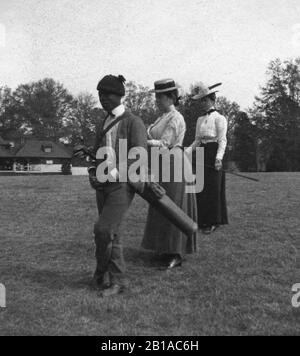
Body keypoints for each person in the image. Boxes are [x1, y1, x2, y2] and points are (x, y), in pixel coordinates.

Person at [89, 74, 147, 296]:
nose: (102, 98)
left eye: (106, 94)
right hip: (102, 186)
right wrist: (93, 173)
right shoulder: (102, 122)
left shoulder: (134, 121)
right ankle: (117, 280)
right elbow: (95, 154)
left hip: (122, 185)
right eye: (100, 94)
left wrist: (112, 172)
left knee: (103, 230)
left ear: (119, 96)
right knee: (114, 234)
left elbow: (139, 156)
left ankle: (101, 270)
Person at [142, 78, 197, 268]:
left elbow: (165, 144)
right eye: (156, 96)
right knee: (162, 205)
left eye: (160, 97)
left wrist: (142, 141)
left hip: (175, 164)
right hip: (163, 164)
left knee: (174, 205)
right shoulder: (161, 117)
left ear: (170, 97)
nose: (156, 100)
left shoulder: (175, 117)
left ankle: (177, 252)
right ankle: (164, 248)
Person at [189, 82, 228, 234]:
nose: (202, 103)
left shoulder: (220, 118)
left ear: (212, 100)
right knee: (200, 186)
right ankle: (201, 219)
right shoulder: (199, 119)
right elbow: (197, 140)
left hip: (213, 153)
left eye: (205, 100)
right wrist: (185, 153)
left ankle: (213, 221)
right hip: (201, 152)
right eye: (201, 100)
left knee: (212, 187)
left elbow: (222, 140)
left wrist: (218, 158)